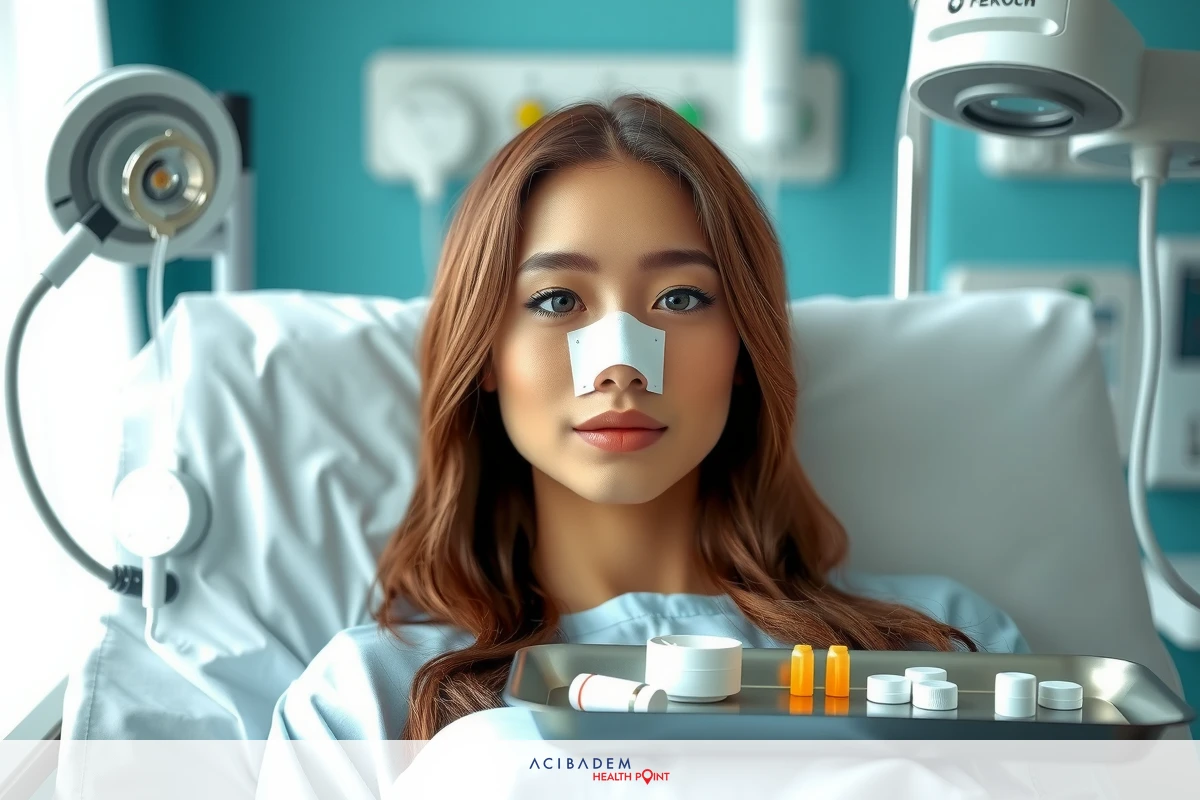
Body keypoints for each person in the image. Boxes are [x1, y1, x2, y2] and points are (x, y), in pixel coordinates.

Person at [264, 94, 1028, 751]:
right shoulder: (368, 703)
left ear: (742, 348)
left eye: (681, 298)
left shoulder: (940, 652)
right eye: (558, 300)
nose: (620, 367)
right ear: (486, 354)